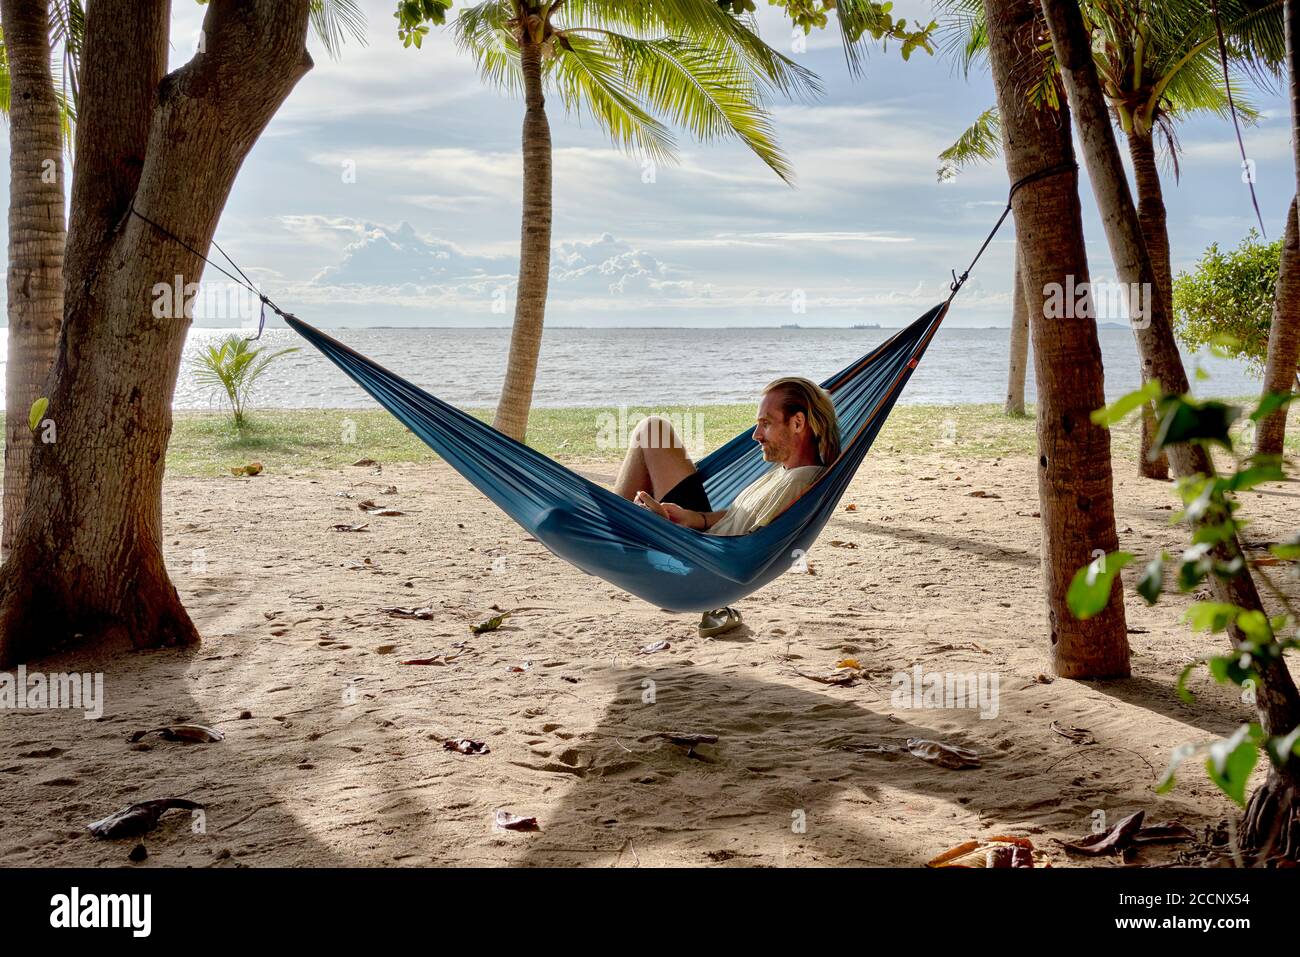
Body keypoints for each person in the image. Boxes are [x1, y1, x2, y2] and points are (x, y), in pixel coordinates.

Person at [613, 376, 841, 633]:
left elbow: (744, 550)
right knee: (653, 430)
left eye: (765, 424)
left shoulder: (799, 485)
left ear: (798, 422)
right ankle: (604, 526)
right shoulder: (787, 470)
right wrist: (690, 518)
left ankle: (604, 531)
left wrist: (665, 528)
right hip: (698, 535)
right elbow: (738, 517)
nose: (756, 435)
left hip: (697, 559)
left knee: (568, 520)